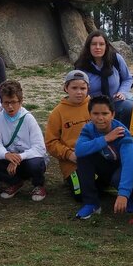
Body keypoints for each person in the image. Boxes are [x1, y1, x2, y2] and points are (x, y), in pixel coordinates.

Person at [72, 96, 133, 220]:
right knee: (84, 157)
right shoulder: (88, 129)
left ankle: (132, 196)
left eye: (105, 113)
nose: (100, 118)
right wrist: (106, 138)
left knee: (118, 178)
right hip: (110, 162)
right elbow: (79, 150)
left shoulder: (122, 132)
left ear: (113, 114)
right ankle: (91, 203)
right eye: (95, 113)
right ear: (90, 114)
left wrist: (123, 194)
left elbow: (128, 163)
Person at [0, 80, 47, 202]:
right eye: (6, 103)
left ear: (21, 101)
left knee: (36, 163)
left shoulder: (28, 118)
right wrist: (6, 154)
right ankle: (15, 182)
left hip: (27, 159)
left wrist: (20, 157)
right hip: (10, 160)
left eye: (13, 102)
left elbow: (39, 148)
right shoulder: (0, 117)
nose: (10, 107)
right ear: (1, 103)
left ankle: (38, 184)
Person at [44, 69, 93, 201]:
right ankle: (72, 179)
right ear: (66, 88)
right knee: (80, 195)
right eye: (74, 88)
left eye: (83, 88)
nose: (79, 92)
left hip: (95, 156)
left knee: (102, 183)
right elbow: (51, 142)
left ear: (88, 88)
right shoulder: (57, 112)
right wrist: (69, 154)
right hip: (72, 162)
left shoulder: (95, 107)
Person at [74, 32, 133, 124]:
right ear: (88, 46)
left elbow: (128, 78)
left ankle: (125, 132)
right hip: (92, 104)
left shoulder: (115, 59)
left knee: (129, 107)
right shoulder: (82, 65)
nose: (98, 47)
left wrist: (122, 92)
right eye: (94, 44)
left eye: (101, 44)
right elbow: (76, 88)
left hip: (115, 101)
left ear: (106, 46)